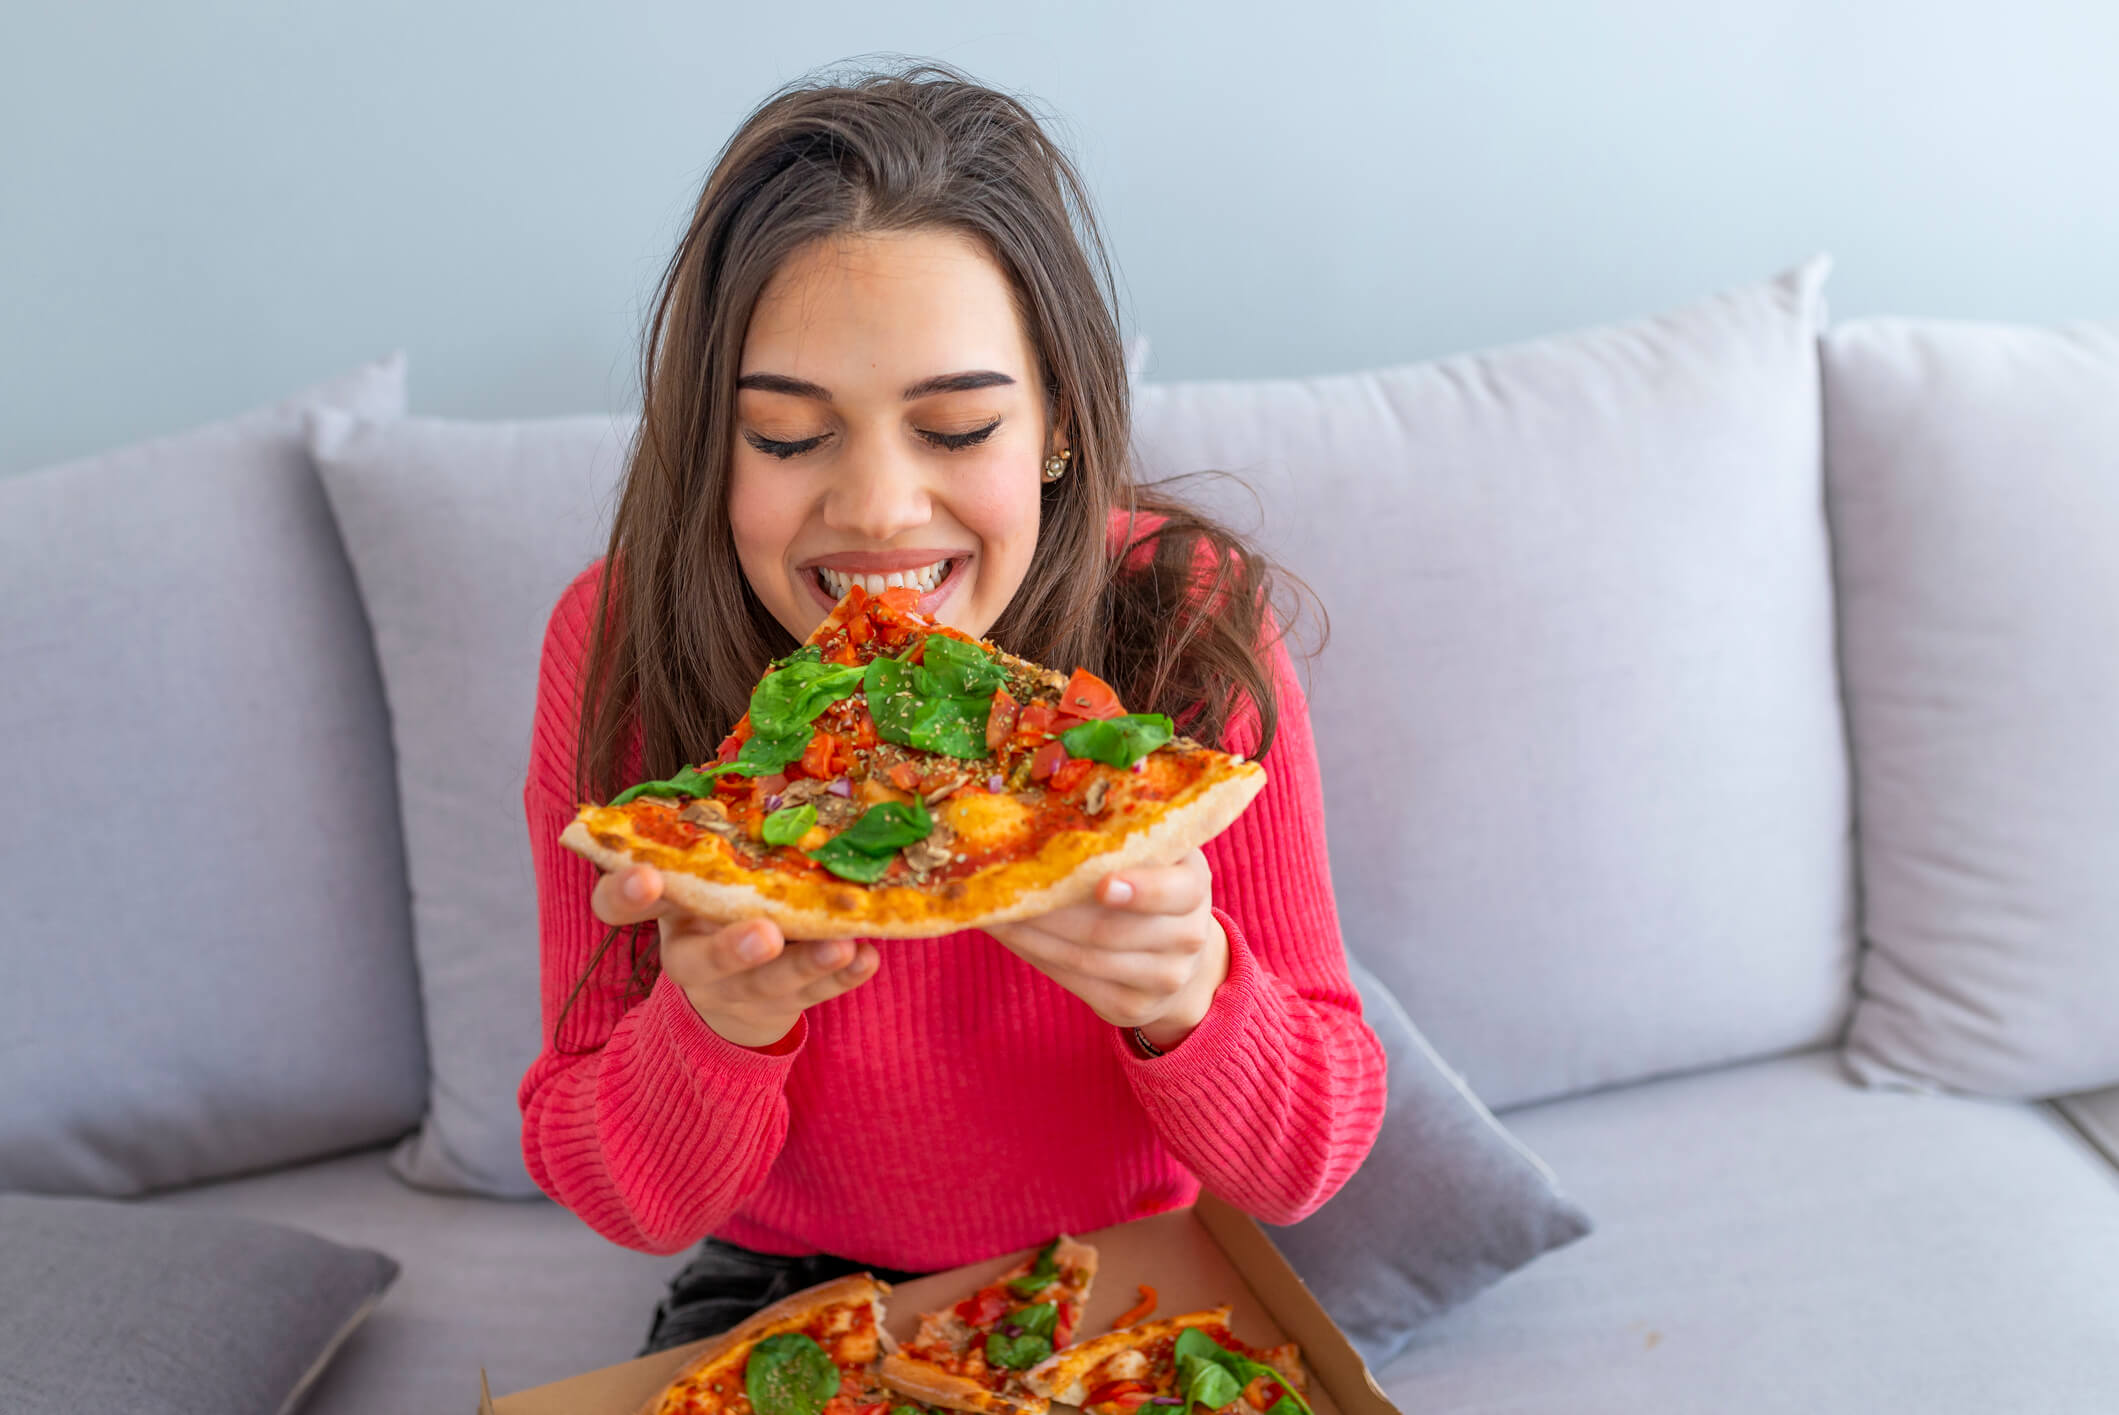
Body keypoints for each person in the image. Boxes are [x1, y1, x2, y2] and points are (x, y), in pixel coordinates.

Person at [517, 58, 1387, 1359]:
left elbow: (1306, 1158)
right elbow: (620, 1196)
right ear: (712, 440)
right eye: (789, 437)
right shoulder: (625, 641)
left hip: (1121, 1284)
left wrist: (1190, 996)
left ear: (1054, 425)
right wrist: (717, 1024)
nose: (876, 508)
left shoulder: (1182, 626)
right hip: (787, 1291)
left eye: (957, 428)